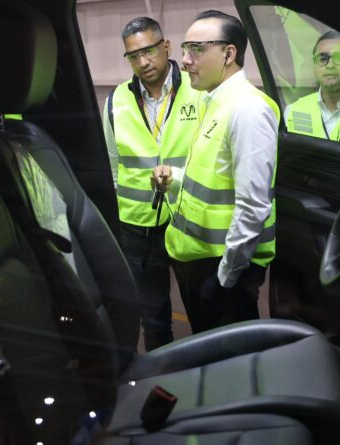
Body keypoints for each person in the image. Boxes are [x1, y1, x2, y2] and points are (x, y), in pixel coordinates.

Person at [151, 10, 279, 334]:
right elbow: (215, 179)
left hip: (223, 267)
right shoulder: (212, 101)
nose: (184, 60)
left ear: (228, 54)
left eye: (196, 49)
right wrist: (175, 179)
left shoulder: (248, 110)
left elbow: (253, 206)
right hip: (199, 258)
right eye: (185, 49)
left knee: (230, 355)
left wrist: (225, 278)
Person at [103, 17, 200, 351]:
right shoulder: (116, 101)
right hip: (137, 227)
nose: (143, 61)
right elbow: (113, 166)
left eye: (149, 51)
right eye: (133, 56)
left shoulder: (198, 90)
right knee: (154, 319)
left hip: (188, 218)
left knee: (202, 313)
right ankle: (163, 377)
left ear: (166, 47)